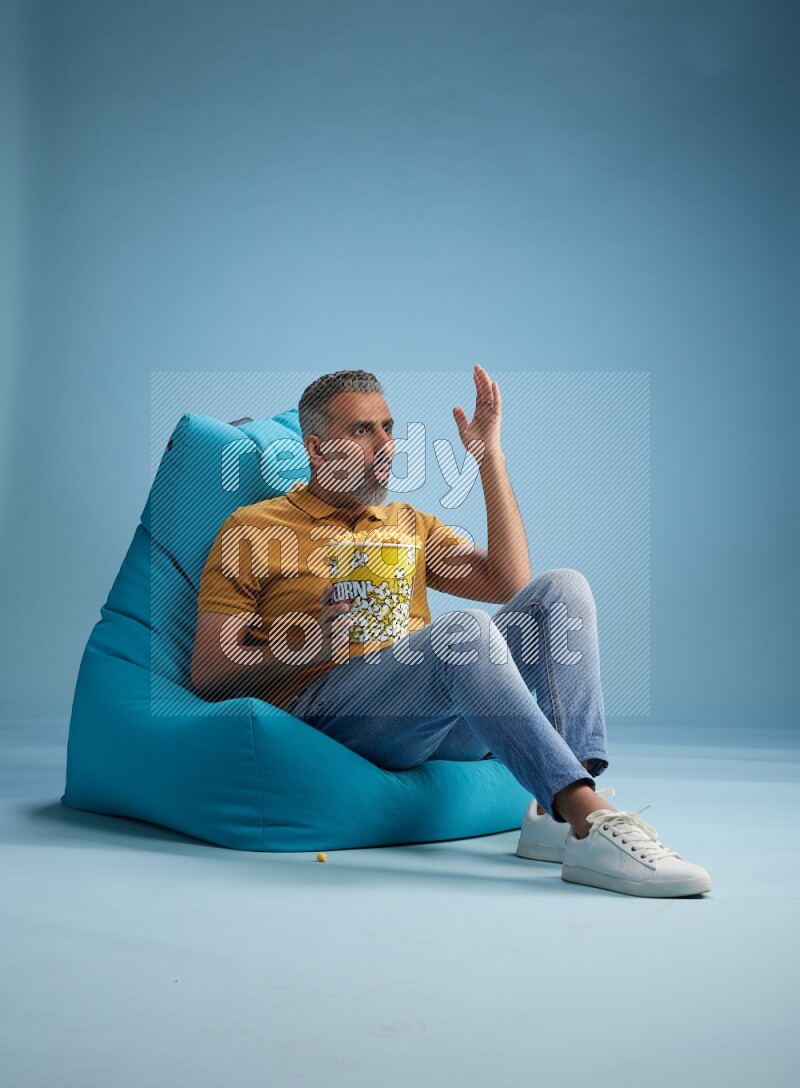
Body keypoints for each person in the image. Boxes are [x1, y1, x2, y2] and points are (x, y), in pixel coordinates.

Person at [191, 366, 711, 898]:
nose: (385, 445)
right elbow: (208, 673)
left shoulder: (408, 524)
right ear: (317, 450)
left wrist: (489, 457)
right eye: (362, 431)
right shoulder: (253, 528)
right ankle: (590, 819)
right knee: (463, 630)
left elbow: (510, 583)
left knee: (562, 589)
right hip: (334, 719)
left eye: (388, 428)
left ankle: (560, 815)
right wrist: (307, 644)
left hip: (428, 717)